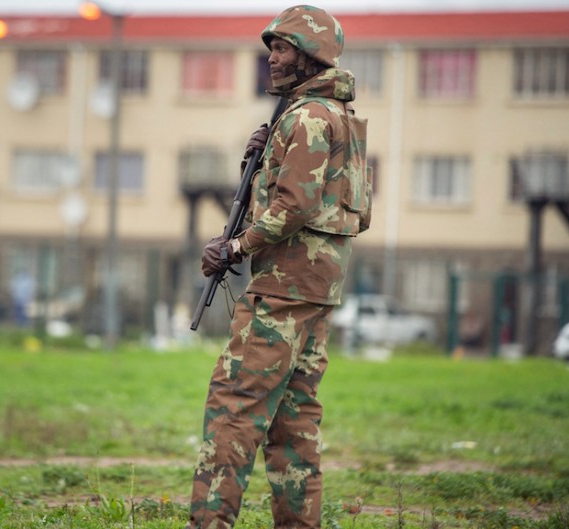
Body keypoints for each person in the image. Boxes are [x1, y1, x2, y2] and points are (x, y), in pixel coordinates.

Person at [187, 5, 371, 528]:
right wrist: (263, 158)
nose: (272, 57)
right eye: (272, 47)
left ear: (311, 56)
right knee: (294, 425)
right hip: (316, 290)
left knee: (233, 406)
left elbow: (294, 208)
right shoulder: (335, 117)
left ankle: (208, 522)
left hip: (285, 287)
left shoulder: (308, 118)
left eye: (283, 48)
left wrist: (234, 248)